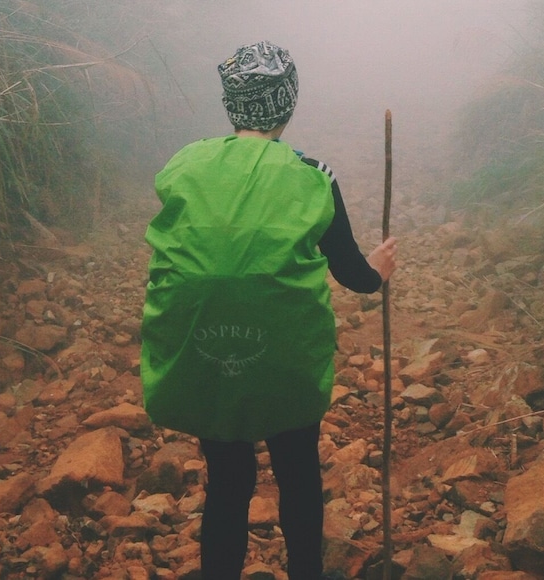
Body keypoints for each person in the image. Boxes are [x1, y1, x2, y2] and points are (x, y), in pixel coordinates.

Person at [140, 40, 397, 580]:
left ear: (233, 103)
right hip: (284, 358)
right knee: (298, 471)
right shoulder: (312, 174)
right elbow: (351, 274)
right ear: (287, 102)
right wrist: (378, 270)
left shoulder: (186, 163)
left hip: (205, 352)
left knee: (228, 480)